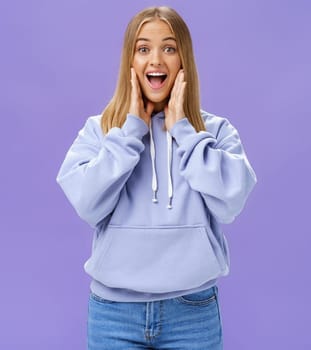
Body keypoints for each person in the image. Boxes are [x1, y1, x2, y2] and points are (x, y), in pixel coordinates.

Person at [56, 6, 256, 349]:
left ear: (184, 60)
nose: (156, 61)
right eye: (143, 48)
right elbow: (87, 205)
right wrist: (131, 131)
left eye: (169, 47)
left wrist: (184, 131)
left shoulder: (216, 131)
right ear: (129, 62)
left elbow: (230, 203)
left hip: (193, 311)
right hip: (114, 313)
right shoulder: (100, 130)